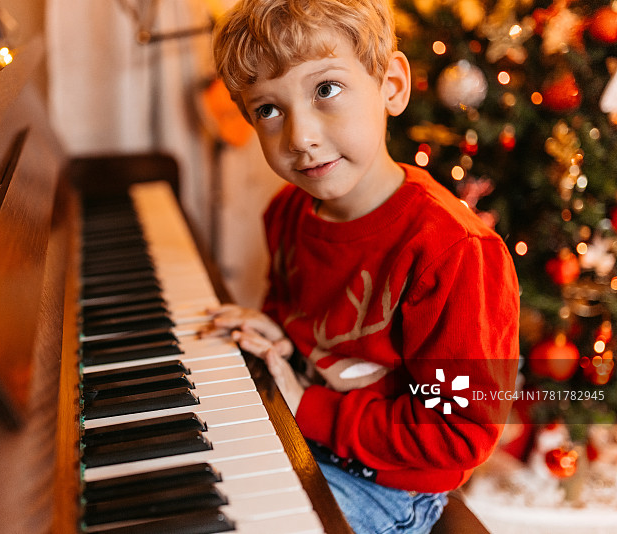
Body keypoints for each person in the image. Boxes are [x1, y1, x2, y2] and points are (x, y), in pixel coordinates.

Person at [206, 1, 521, 532]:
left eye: (325, 88)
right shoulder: (287, 213)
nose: (300, 137)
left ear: (392, 86)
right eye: (267, 109)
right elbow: (303, 323)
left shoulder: (453, 251)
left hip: (390, 487)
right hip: (304, 437)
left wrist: (309, 406)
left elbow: (458, 435)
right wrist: (278, 335)